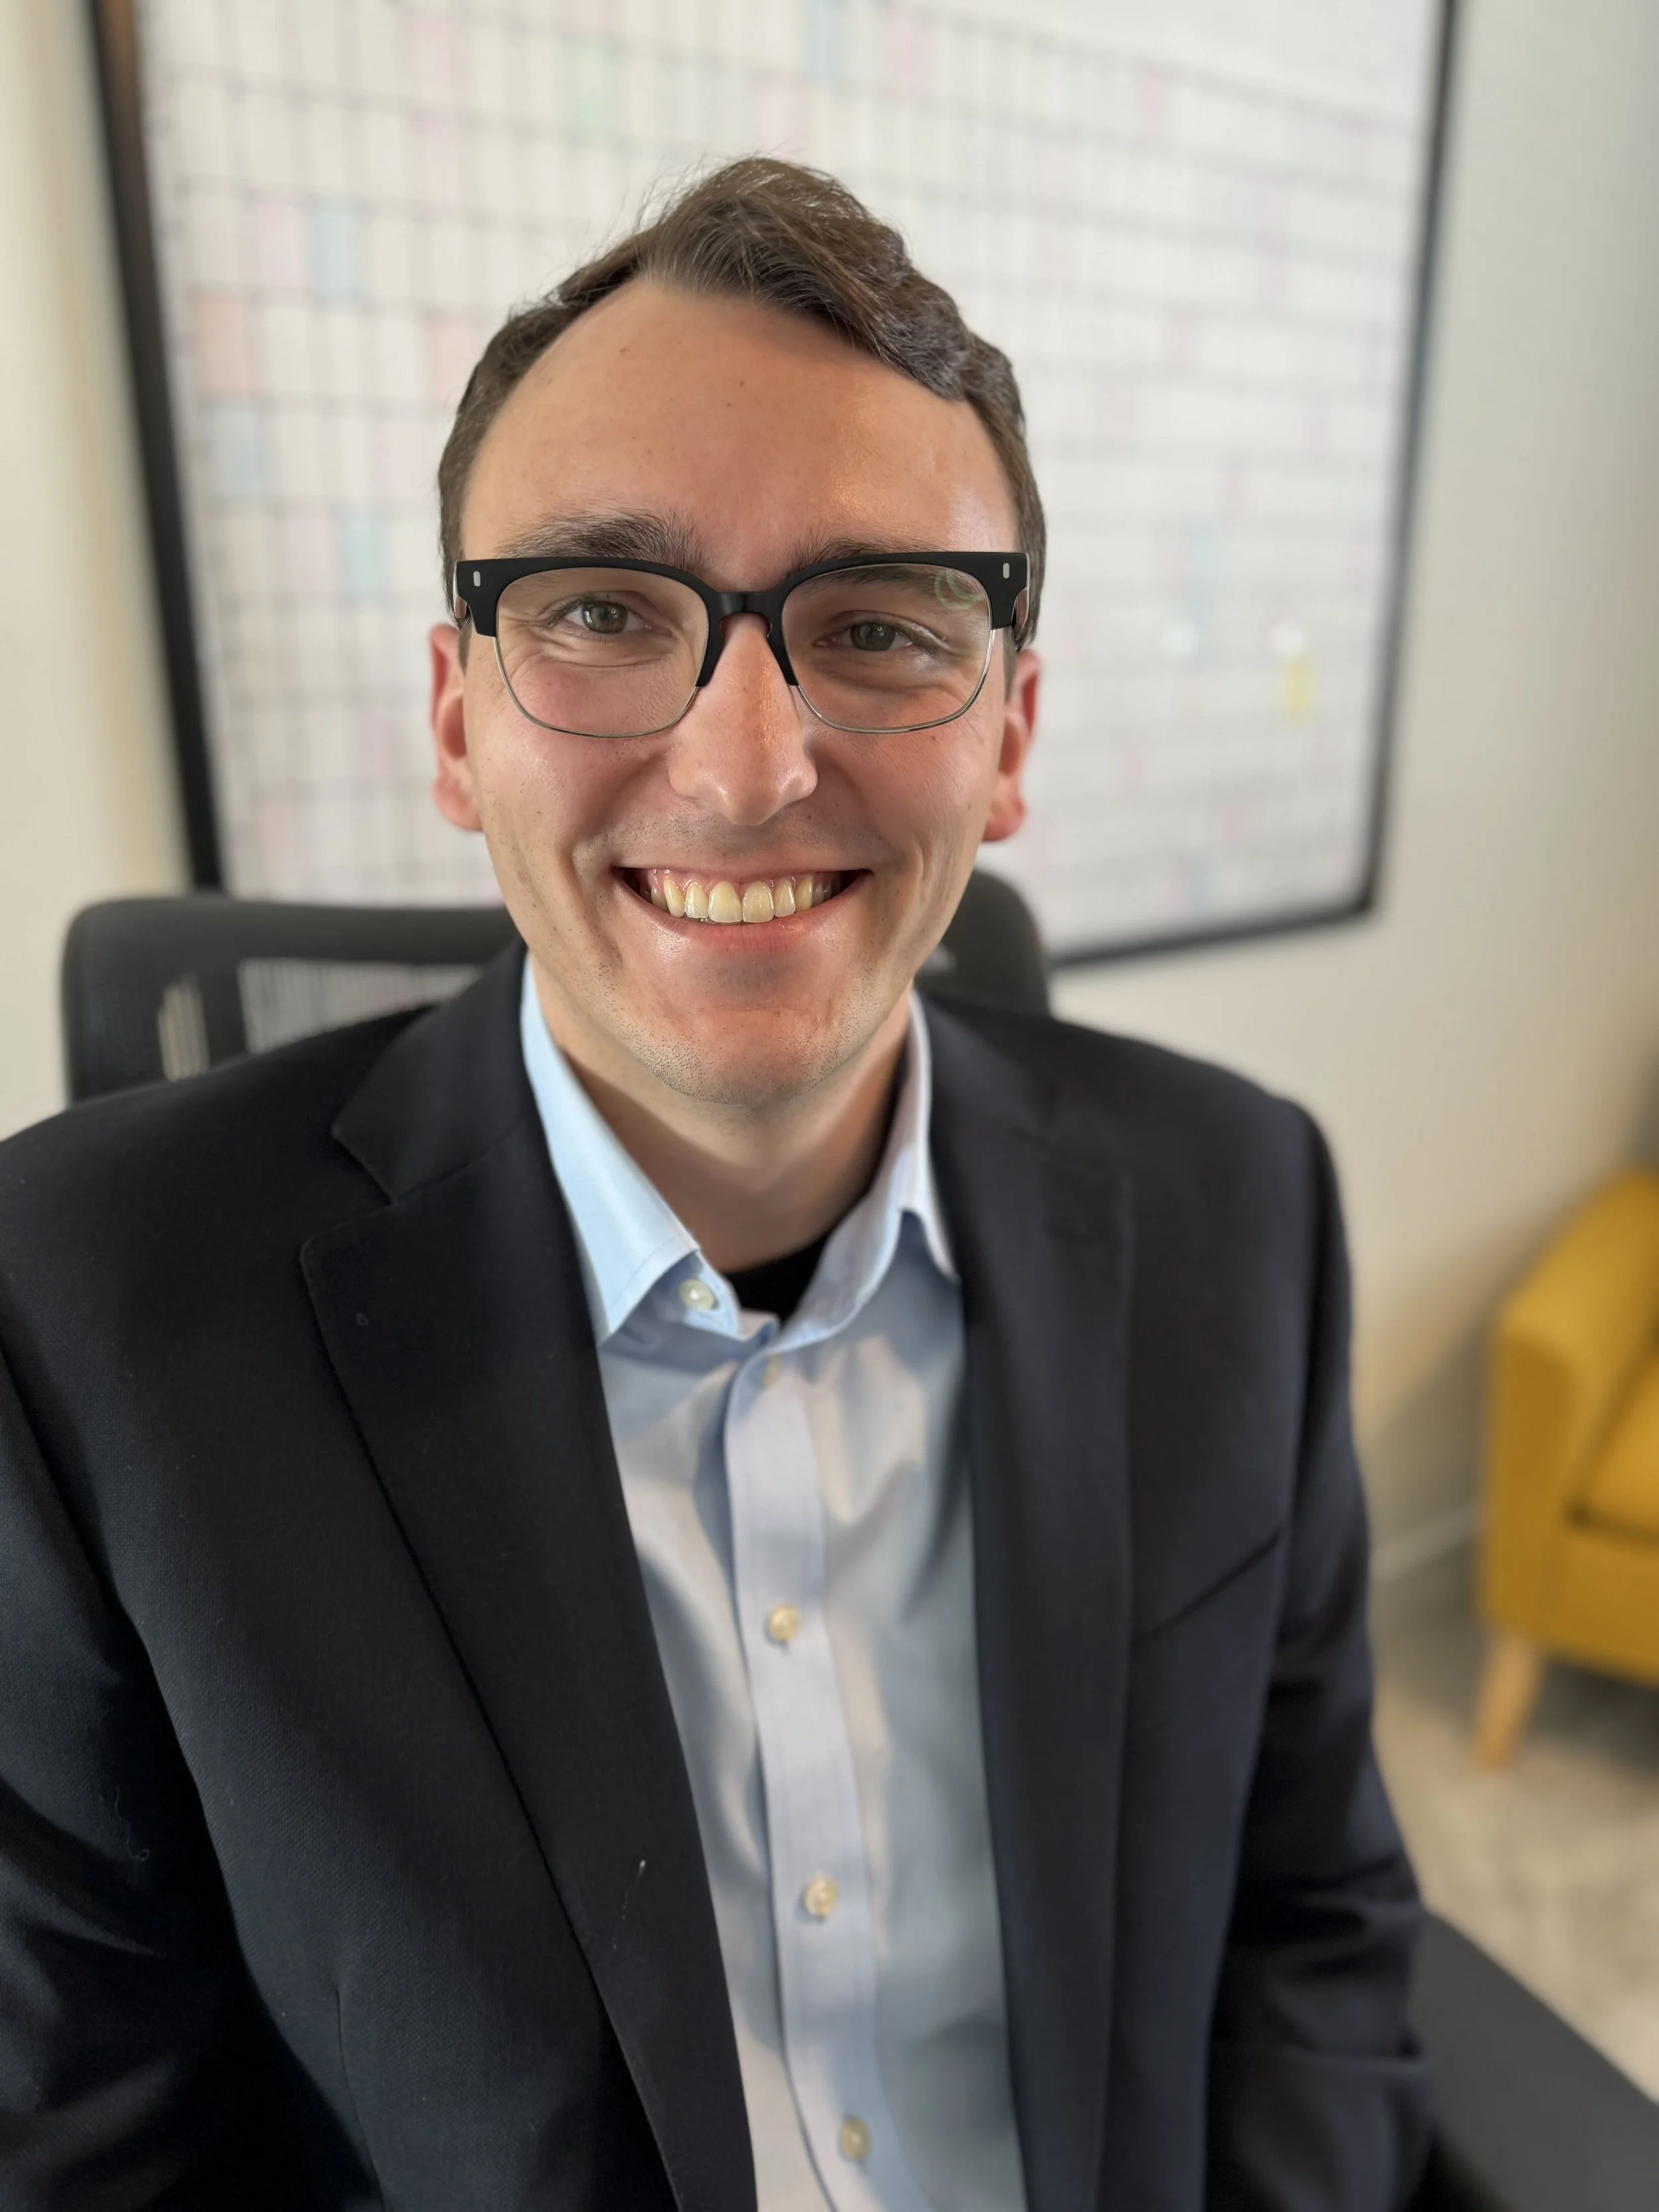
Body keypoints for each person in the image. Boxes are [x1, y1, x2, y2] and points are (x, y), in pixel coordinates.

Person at [0, 159, 1429, 2209]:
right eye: (598, 609)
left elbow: (1314, 1935)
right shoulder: (82, 1322)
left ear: (1008, 730)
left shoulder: (1237, 1206)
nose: (748, 760)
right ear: (454, 718)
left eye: (875, 626)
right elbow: (82, 2148)